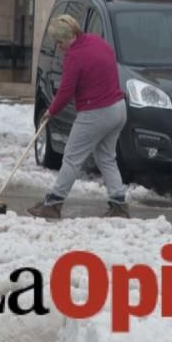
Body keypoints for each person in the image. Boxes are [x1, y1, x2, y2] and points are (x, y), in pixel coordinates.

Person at [28, 15, 129, 220]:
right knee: (107, 157)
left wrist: (51, 111)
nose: (59, 46)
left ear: (70, 37)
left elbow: (66, 91)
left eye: (60, 41)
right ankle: (119, 204)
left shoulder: (75, 56)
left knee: (72, 157)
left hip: (96, 112)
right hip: (118, 109)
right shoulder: (97, 42)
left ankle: (54, 203)